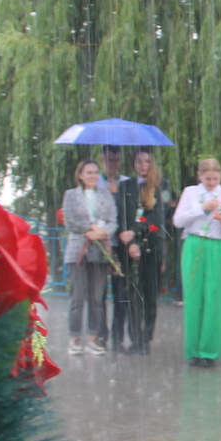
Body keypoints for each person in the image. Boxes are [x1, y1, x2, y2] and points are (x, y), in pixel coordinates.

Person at [172, 157, 221, 367]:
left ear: (220, 176)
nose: (211, 182)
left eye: (215, 178)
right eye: (207, 178)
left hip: (218, 245)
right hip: (194, 244)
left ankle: (209, 352)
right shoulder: (190, 192)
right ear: (199, 176)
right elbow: (177, 221)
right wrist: (201, 208)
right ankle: (193, 350)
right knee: (193, 297)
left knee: (215, 298)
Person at [117, 148, 172, 354]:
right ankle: (134, 338)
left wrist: (135, 232)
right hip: (128, 247)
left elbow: (158, 216)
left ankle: (146, 338)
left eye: (147, 161)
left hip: (152, 246)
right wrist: (126, 236)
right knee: (132, 294)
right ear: (133, 164)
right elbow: (122, 213)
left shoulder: (161, 186)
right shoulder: (126, 186)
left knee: (149, 294)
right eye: (139, 161)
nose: (143, 166)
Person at [62, 159, 119, 356]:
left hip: (100, 250)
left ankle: (93, 339)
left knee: (97, 298)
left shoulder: (106, 195)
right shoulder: (70, 195)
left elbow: (113, 221)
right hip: (78, 250)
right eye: (89, 173)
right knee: (77, 298)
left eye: (96, 172)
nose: (93, 176)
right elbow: (69, 221)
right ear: (80, 176)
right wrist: (90, 228)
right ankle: (74, 338)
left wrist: (101, 233)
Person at [99, 145, 131, 352]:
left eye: (116, 160)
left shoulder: (127, 183)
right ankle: (101, 335)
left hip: (122, 245)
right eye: (109, 160)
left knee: (121, 294)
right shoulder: (95, 181)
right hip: (101, 243)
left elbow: (130, 211)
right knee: (99, 293)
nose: (113, 164)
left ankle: (118, 337)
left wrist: (118, 195)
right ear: (102, 159)